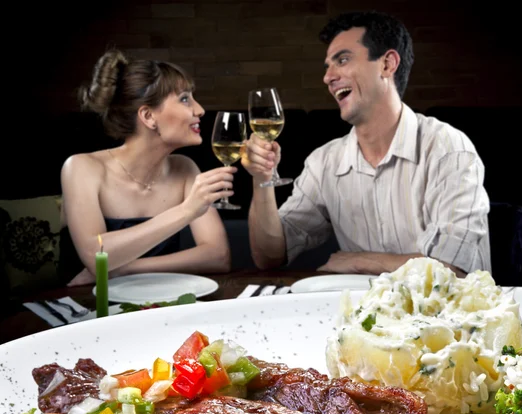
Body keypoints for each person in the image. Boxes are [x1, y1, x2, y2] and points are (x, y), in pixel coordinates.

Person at [242, 11, 491, 277]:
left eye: (343, 60)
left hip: (450, 315)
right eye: (327, 66)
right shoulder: (323, 162)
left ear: (387, 64)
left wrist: (360, 262)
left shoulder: (448, 149)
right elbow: (270, 256)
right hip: (363, 316)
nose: (328, 77)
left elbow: (453, 270)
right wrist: (262, 179)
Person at [59, 49, 236, 286]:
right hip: (86, 306)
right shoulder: (82, 168)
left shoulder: (184, 168)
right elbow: (95, 256)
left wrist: (124, 270)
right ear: (149, 116)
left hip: (156, 302)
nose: (200, 110)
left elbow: (218, 257)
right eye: (185, 99)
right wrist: (186, 211)